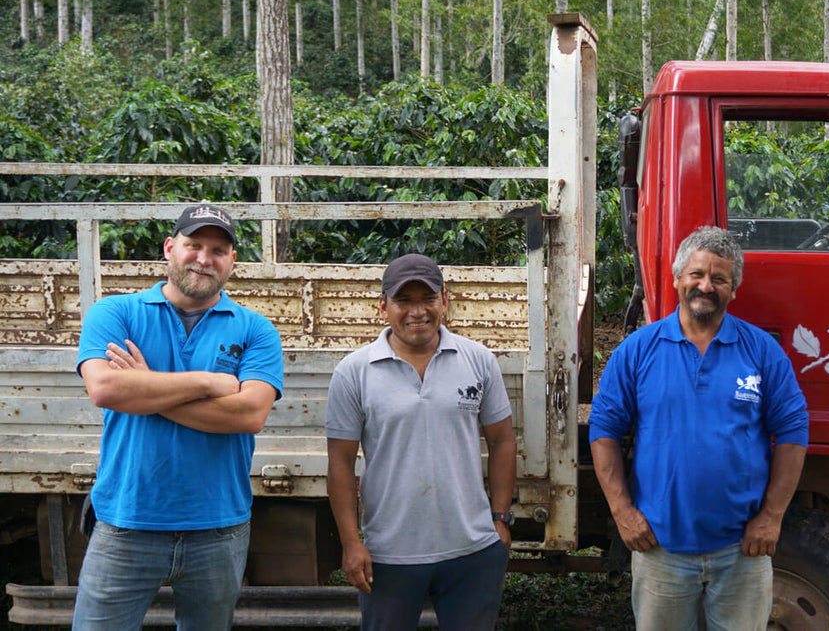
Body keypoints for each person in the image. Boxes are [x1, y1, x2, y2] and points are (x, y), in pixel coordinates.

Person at [72, 204, 284, 631]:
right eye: (193, 245)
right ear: (170, 247)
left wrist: (147, 386)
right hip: (125, 521)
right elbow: (106, 389)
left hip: (218, 528)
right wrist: (208, 382)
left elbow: (249, 413)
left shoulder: (256, 330)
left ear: (232, 261)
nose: (204, 259)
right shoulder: (116, 313)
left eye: (218, 249)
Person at [589, 226, 808, 631]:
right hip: (661, 551)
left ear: (733, 289)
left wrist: (772, 516)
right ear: (676, 279)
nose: (705, 286)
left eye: (719, 278)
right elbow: (603, 429)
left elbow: (793, 430)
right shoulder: (638, 351)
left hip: (741, 552)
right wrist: (622, 513)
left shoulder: (761, 351)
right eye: (696, 274)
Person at [325, 253, 517, 631]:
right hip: (389, 556)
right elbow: (339, 464)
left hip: (472, 551)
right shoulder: (354, 372)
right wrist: (352, 542)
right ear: (383, 307)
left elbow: (503, 440)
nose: (418, 312)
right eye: (404, 301)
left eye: (428, 299)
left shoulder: (478, 360)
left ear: (445, 301)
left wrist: (500, 517)